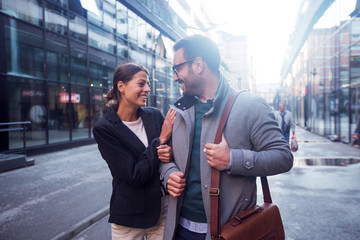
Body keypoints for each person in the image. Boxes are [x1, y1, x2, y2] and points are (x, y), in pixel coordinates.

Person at [159, 35, 294, 240]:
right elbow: (165, 157)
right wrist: (168, 172)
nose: (175, 77)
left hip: (228, 232)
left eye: (177, 68)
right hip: (178, 230)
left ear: (198, 64)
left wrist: (232, 159)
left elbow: (283, 157)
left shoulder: (250, 106)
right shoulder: (178, 110)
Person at [93, 63, 176, 240]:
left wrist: (169, 153)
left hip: (162, 211)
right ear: (121, 86)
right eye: (141, 84)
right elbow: (134, 175)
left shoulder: (153, 115)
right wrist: (160, 140)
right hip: (128, 219)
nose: (147, 89)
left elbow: (170, 154)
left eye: (148, 84)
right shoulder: (104, 128)